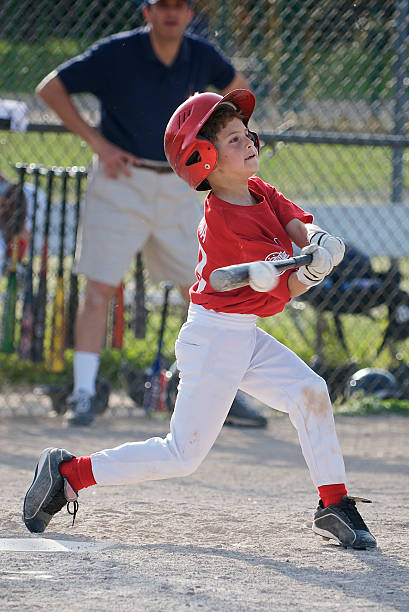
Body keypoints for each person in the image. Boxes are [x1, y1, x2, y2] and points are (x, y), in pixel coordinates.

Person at [23, 89, 377, 550]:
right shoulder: (226, 225)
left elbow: (294, 222)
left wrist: (318, 239)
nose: (249, 140)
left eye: (246, 132)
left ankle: (334, 504)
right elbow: (271, 300)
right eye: (233, 139)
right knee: (181, 455)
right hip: (213, 341)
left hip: (242, 334)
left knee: (309, 391)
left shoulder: (258, 190)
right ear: (203, 158)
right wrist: (309, 274)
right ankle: (68, 472)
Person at [35, 0, 266, 428]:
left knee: (205, 290)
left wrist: (213, 151)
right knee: (100, 287)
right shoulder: (117, 51)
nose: (172, 13)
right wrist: (98, 143)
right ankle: (83, 393)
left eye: (181, 5)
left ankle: (222, 392)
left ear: (190, 13)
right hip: (121, 180)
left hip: (179, 185)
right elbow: (50, 88)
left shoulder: (200, 55)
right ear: (147, 12)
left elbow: (237, 89)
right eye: (163, 5)